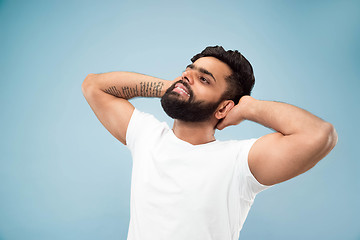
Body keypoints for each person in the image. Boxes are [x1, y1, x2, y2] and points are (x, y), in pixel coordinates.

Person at [81, 46, 338, 240]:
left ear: (224, 107)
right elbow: (94, 86)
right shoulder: (147, 136)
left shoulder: (240, 162)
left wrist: (249, 108)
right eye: (187, 72)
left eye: (204, 79)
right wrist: (171, 87)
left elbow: (319, 134)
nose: (187, 77)